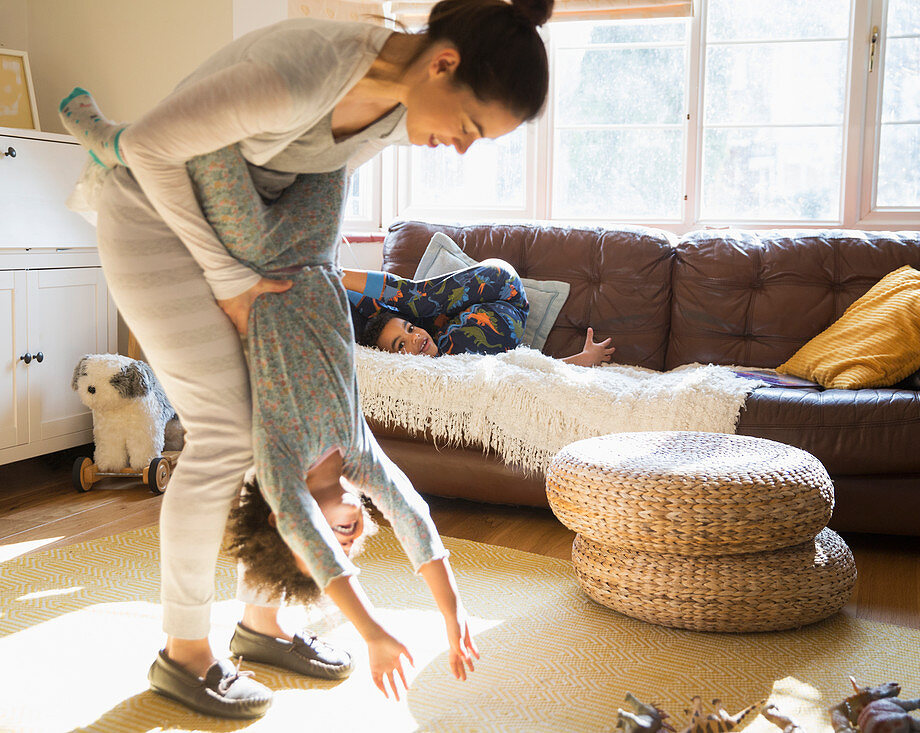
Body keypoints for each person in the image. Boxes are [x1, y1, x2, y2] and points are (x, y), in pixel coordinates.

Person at [58, 0, 554, 719]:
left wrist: (299, 290)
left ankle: (264, 624)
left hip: (260, 242)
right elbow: (156, 150)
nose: (464, 146)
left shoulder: (398, 105)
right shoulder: (298, 75)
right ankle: (184, 653)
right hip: (154, 213)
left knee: (267, 431)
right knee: (227, 437)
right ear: (444, 64)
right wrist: (230, 282)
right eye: (473, 127)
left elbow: (315, 198)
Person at [345, 262, 616, 366]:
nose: (414, 338)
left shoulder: (443, 341)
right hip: (470, 317)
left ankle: (330, 272)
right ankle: (326, 276)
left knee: (414, 302)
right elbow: (523, 369)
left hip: (499, 287)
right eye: (401, 345)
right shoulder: (452, 355)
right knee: (395, 317)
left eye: (410, 329)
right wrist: (583, 359)